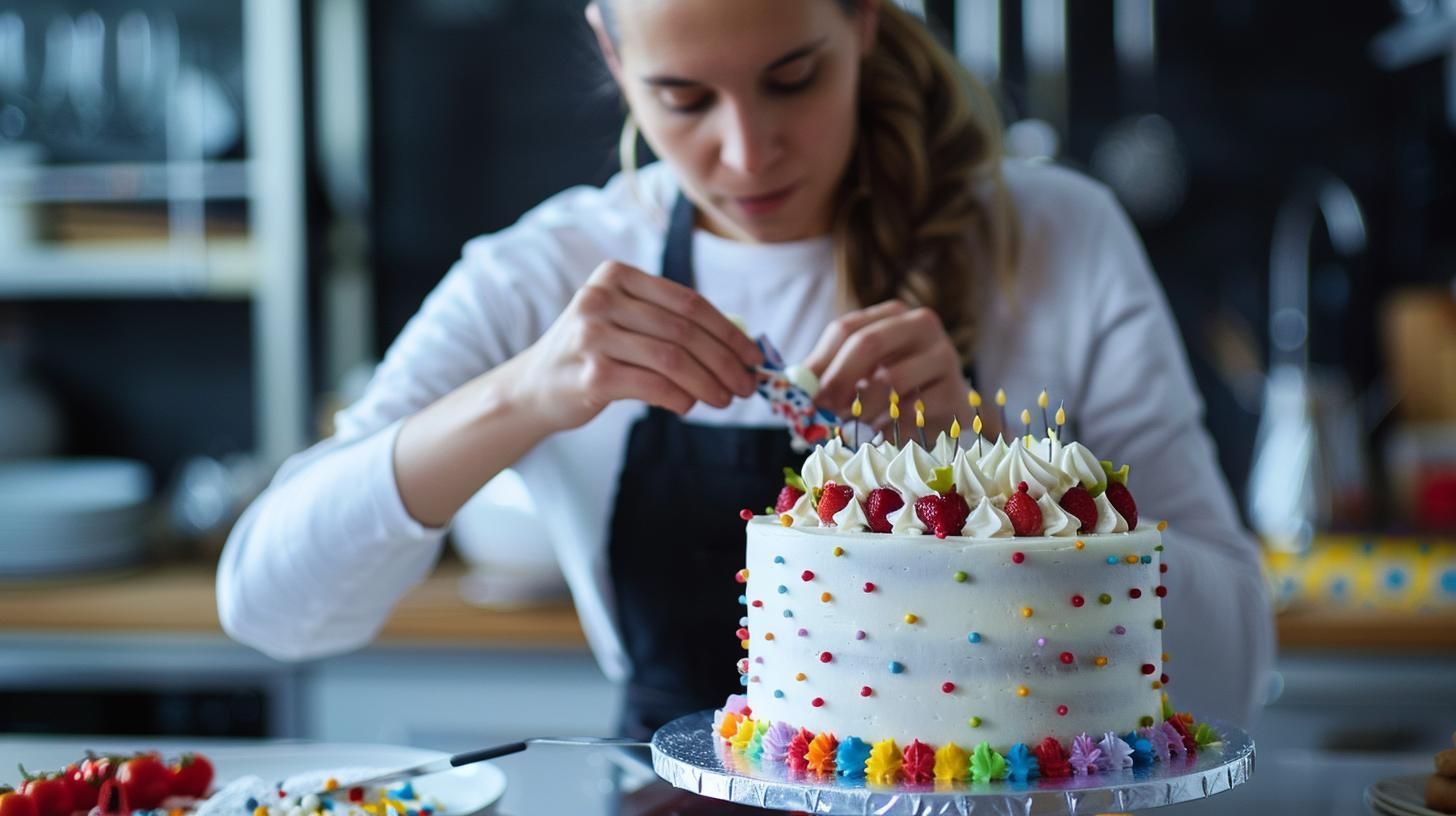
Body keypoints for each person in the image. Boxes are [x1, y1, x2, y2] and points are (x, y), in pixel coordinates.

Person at [217, 0, 1273, 740]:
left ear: (862, 18)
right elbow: (267, 606)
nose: (749, 151)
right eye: (682, 98)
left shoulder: (1055, 239)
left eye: (792, 79)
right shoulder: (540, 273)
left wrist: (998, 489)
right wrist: (521, 395)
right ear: (612, 56)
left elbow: (1234, 671)